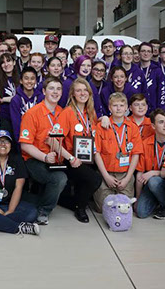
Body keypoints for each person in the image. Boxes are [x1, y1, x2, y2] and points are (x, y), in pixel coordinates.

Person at [19, 77, 68, 225]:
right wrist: (46, 157)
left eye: (58, 89)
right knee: (59, 179)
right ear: (44, 91)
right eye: (51, 88)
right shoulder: (32, 113)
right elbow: (25, 146)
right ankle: (44, 210)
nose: (55, 92)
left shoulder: (62, 112)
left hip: (57, 159)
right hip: (34, 159)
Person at [57, 79, 103, 222]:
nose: (82, 93)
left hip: (87, 157)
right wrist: (71, 158)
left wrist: (105, 118)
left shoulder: (91, 112)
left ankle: (72, 202)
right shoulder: (68, 112)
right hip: (71, 159)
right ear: (72, 94)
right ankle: (80, 208)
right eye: (78, 90)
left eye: (85, 90)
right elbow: (53, 140)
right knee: (95, 179)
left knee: (87, 180)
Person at [93, 92, 143, 209]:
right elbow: (97, 153)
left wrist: (127, 178)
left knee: (124, 206)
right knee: (104, 207)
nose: (118, 108)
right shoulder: (101, 126)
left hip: (125, 173)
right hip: (106, 173)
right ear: (110, 108)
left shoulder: (133, 127)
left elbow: (136, 154)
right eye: (115, 105)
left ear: (126, 108)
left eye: (121, 105)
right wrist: (106, 176)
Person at [135, 109, 165, 220]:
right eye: (161, 122)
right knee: (140, 212)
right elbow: (140, 174)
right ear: (153, 126)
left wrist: (153, 173)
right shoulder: (145, 143)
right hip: (151, 184)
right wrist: (137, 198)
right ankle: (158, 199)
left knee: (154, 180)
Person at [10, 67, 44, 141]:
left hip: (39, 138)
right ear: (21, 81)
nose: (29, 81)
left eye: (32, 78)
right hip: (23, 138)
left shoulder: (41, 98)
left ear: (35, 81)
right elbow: (16, 124)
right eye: (26, 78)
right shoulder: (16, 100)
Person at [0, 53, 20, 122]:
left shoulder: (21, 79)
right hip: (3, 115)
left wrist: (4, 99)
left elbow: (24, 97)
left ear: (14, 62)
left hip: (19, 113)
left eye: (8, 61)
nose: (6, 64)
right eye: (3, 62)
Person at [138, 42, 165, 110]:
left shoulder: (157, 71)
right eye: (143, 51)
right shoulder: (134, 70)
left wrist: (159, 110)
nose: (146, 53)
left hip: (153, 111)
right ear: (139, 53)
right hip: (136, 110)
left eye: (148, 51)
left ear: (152, 54)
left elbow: (162, 92)